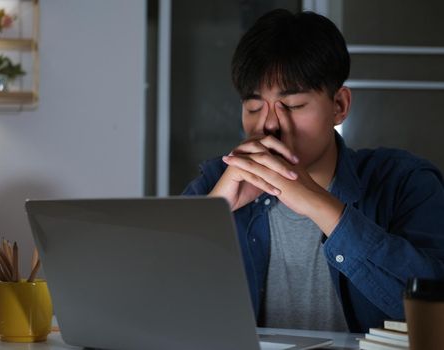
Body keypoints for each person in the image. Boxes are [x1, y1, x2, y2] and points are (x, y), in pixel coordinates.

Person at [182, 9, 444, 333]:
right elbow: (153, 300)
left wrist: (318, 204)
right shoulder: (218, 182)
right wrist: (211, 214)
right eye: (253, 107)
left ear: (339, 106)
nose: (269, 124)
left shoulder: (405, 182)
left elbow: (434, 312)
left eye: (292, 105)